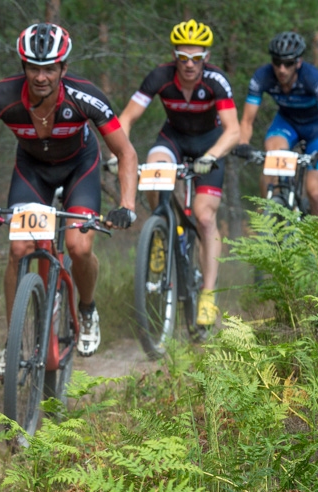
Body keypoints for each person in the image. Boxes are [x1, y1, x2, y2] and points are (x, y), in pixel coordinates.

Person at [0, 22, 138, 371]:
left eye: (50, 68)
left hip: (79, 168)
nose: (41, 76)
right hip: (32, 171)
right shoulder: (1, 97)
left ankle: (86, 308)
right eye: (34, 68)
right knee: (19, 248)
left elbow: (126, 153)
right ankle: (12, 343)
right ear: (23, 67)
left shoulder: (85, 96)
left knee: (79, 247)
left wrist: (127, 204)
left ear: (63, 68)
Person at [114, 19, 240, 327]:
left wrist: (210, 157)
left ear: (205, 58)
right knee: (153, 170)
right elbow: (125, 119)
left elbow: (234, 130)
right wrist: (117, 153)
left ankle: (208, 294)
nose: (189, 64)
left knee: (205, 216)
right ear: (175, 56)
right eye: (183, 57)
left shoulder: (216, 81)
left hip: (210, 146)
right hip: (173, 139)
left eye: (196, 58)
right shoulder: (159, 76)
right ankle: (160, 232)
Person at [236, 31, 318, 220]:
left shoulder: (312, 78)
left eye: (288, 63)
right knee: (272, 155)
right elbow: (246, 120)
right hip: (287, 124)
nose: (282, 69)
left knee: (316, 193)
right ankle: (269, 210)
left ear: (298, 62)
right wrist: (243, 143)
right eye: (277, 62)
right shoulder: (263, 77)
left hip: (317, 131)